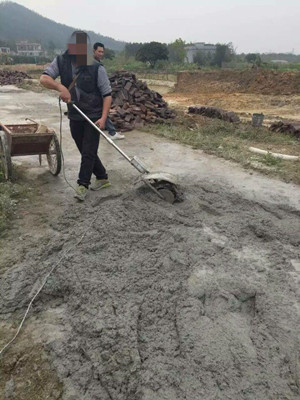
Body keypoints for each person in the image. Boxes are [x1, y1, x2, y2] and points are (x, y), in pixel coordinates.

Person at [40, 31, 112, 201]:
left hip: (94, 114)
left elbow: (107, 95)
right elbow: (43, 79)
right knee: (84, 148)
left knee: (88, 150)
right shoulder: (61, 61)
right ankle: (102, 177)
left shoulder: (96, 67)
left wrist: (103, 118)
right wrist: (60, 87)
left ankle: (82, 185)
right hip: (75, 113)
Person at [93, 42, 125, 140]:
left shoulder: (98, 64)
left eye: (102, 52)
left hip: (99, 93)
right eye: (99, 51)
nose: (101, 54)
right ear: (93, 51)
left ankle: (111, 131)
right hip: (94, 94)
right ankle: (111, 132)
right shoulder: (91, 64)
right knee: (102, 111)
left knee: (103, 112)